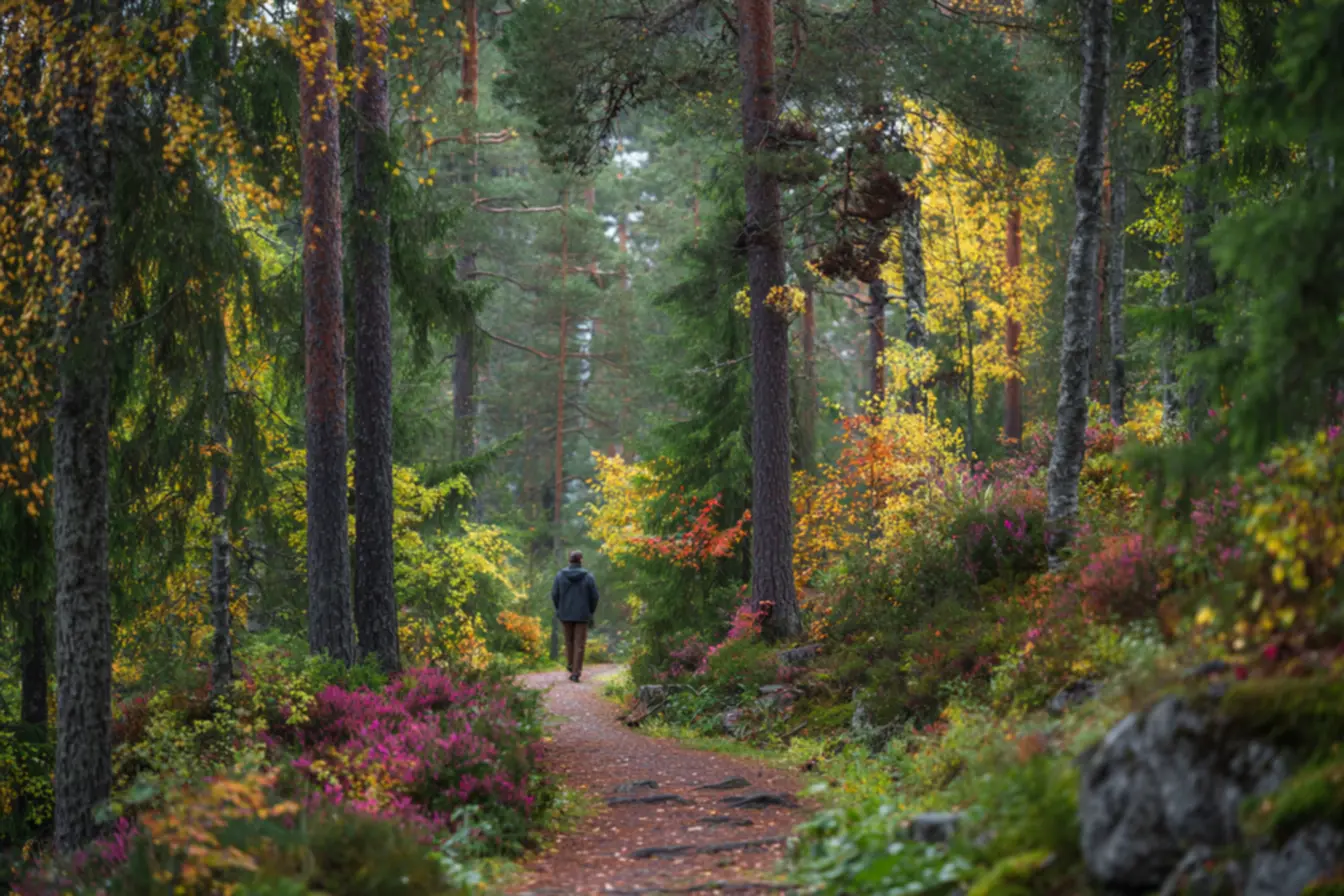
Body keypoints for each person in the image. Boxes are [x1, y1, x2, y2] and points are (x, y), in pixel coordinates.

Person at [551, 550, 599, 682]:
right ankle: (576, 672)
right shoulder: (588, 576)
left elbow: (555, 594)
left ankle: (571, 665)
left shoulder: (560, 575)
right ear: (581, 560)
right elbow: (595, 596)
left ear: (569, 560)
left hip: (565, 614)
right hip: (582, 615)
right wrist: (590, 611)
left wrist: (559, 609)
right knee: (579, 644)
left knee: (568, 641)